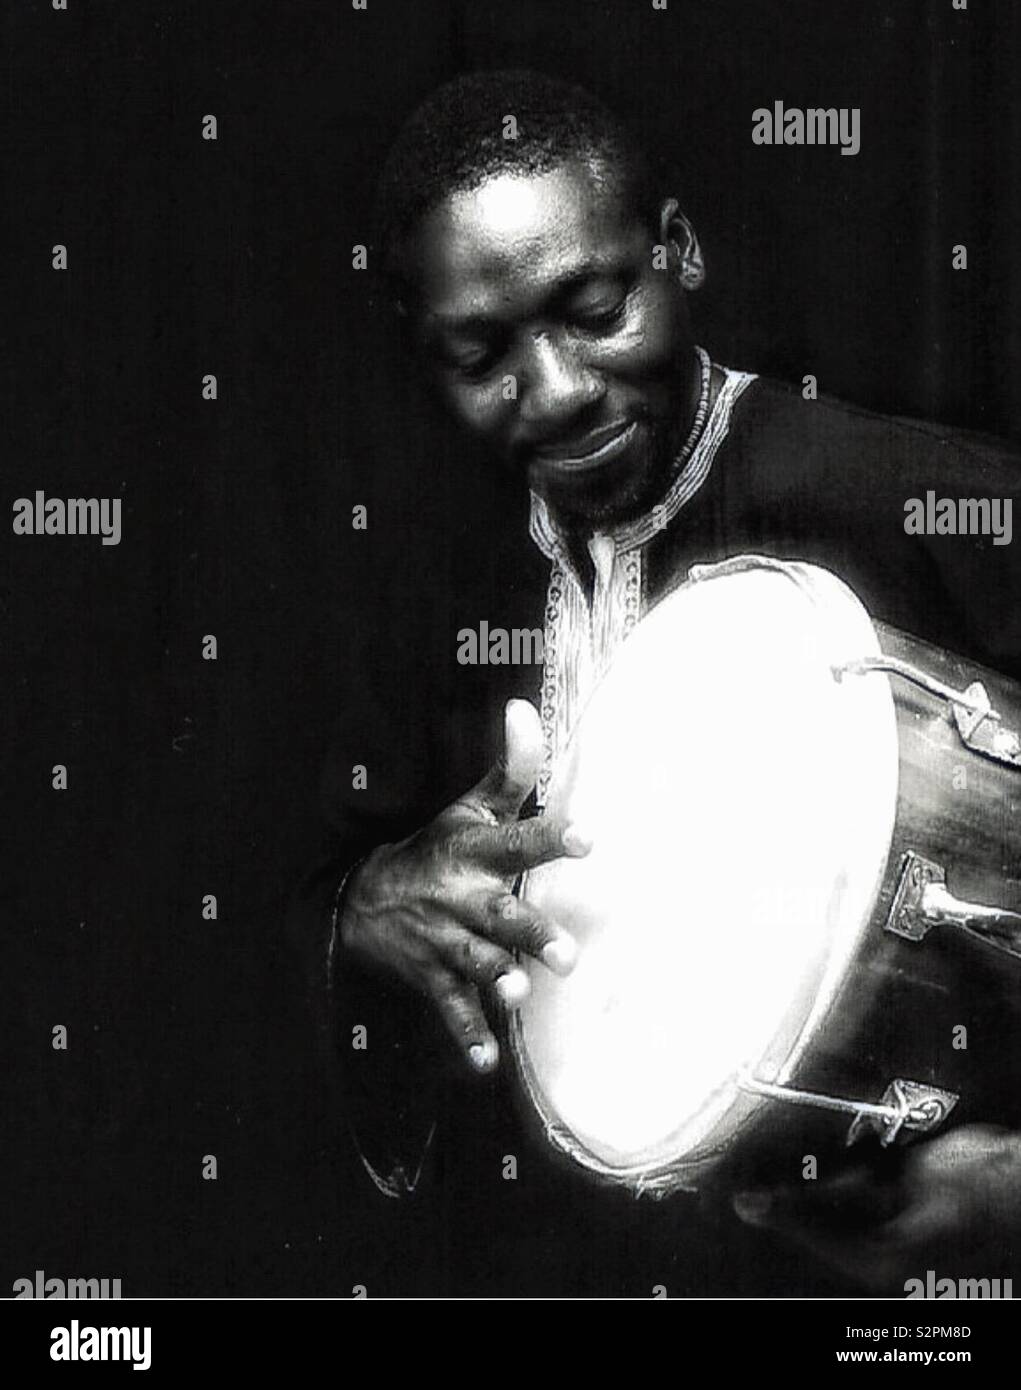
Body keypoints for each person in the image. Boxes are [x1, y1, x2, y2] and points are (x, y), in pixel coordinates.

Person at [292, 69, 1021, 1296]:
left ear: (676, 250)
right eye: (481, 353)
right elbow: (291, 903)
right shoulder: (418, 599)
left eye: (591, 308)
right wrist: (368, 905)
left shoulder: (913, 495)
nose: (560, 387)